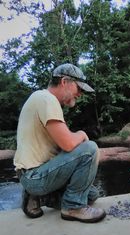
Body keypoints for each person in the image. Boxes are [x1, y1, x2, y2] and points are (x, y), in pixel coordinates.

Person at [14, 63, 106, 223]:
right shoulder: (47, 99)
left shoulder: (42, 99)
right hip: (35, 176)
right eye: (79, 89)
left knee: (92, 194)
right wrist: (83, 134)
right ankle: (73, 207)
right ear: (65, 82)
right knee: (89, 149)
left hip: (37, 172)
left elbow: (63, 146)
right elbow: (68, 144)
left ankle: (39, 197)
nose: (80, 94)